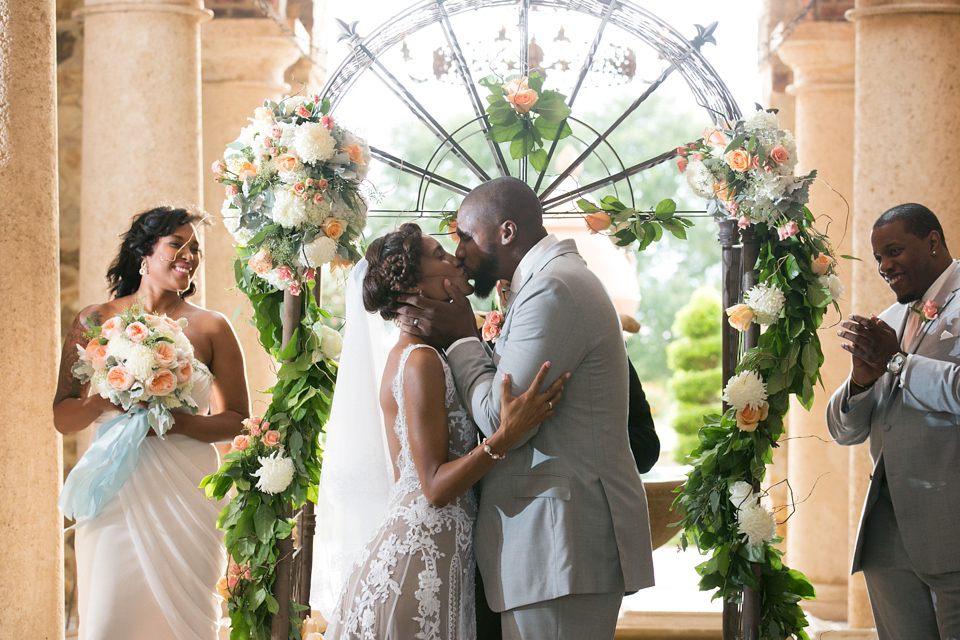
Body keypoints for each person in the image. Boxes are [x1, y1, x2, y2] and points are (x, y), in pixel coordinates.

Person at [397, 177, 655, 640]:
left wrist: (462, 338)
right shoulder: (543, 283)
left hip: (561, 544)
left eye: (466, 236)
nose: (459, 253)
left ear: (507, 233)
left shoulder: (553, 288)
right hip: (550, 546)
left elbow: (501, 416)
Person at [324, 222, 567, 640]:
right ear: (413, 288)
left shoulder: (428, 354)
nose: (455, 258)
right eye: (438, 255)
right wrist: (505, 435)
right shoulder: (420, 361)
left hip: (441, 552)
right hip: (418, 559)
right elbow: (433, 488)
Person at [53, 206, 250, 640]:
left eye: (194, 248)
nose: (189, 255)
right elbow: (62, 416)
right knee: (108, 620)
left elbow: (237, 420)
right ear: (144, 253)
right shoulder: (95, 319)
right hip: (115, 487)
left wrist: (174, 422)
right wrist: (101, 401)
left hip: (188, 491)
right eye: (177, 244)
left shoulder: (212, 327)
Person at [826, 203, 960, 640]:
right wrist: (862, 382)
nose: (884, 266)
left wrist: (898, 362)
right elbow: (845, 431)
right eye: (879, 257)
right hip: (887, 539)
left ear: (934, 242)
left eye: (894, 251)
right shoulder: (888, 320)